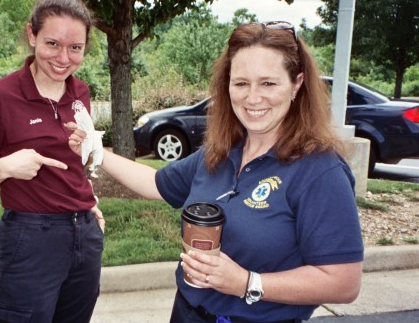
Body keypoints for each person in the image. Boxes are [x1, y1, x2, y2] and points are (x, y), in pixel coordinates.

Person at [66, 21, 364, 323]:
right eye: (241, 83)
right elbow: (155, 183)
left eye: (268, 83)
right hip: (187, 313)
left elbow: (343, 281)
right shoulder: (222, 152)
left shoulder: (320, 170)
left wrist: (248, 282)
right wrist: (97, 151)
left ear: (296, 84)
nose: (252, 97)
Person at [0, 0, 104, 323]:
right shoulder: (0, 98)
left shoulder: (80, 92)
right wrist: (4, 167)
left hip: (85, 234)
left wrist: (89, 201)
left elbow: (73, 164)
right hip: (30, 238)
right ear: (31, 35)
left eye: (75, 48)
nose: (63, 58)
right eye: (52, 44)